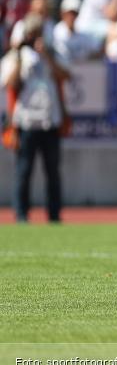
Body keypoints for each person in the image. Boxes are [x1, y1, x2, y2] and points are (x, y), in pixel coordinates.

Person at [1, 14, 69, 223]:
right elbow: (8, 82)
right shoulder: (17, 56)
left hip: (50, 120)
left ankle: (54, 213)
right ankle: (21, 213)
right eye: (33, 33)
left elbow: (65, 75)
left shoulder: (53, 53)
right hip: (26, 121)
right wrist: (19, 56)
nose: (36, 37)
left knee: (53, 171)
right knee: (24, 170)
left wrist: (47, 55)